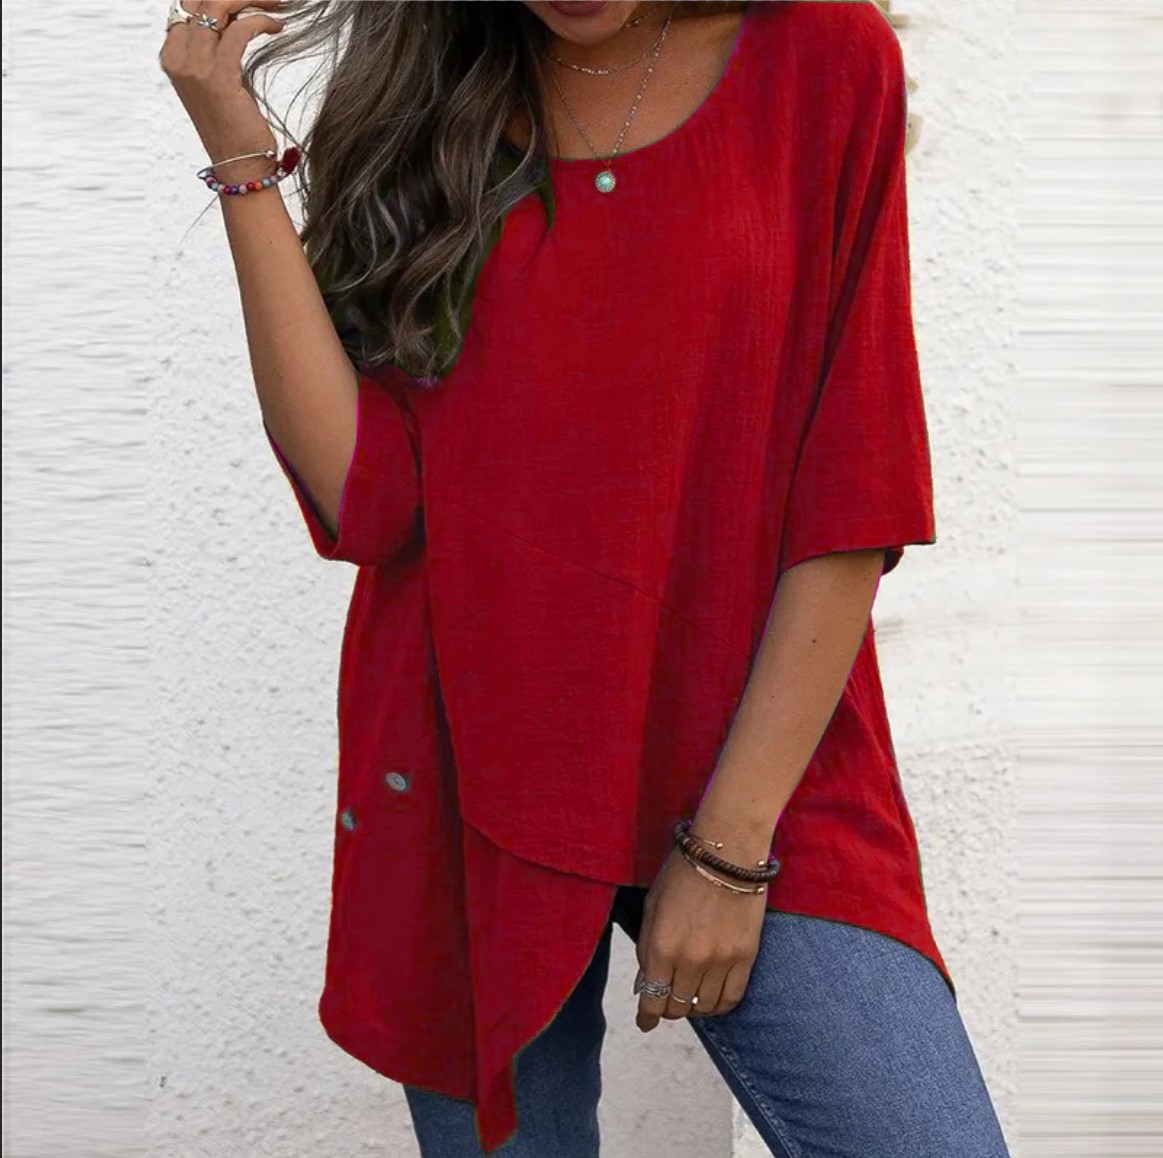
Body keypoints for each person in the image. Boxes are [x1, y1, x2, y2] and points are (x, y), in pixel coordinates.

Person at [161, 2, 1013, 1155]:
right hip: (468, 768)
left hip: (758, 750)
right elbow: (368, 500)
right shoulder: (423, 90)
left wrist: (728, 849)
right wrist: (240, 161)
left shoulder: (822, 57)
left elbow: (852, 490)